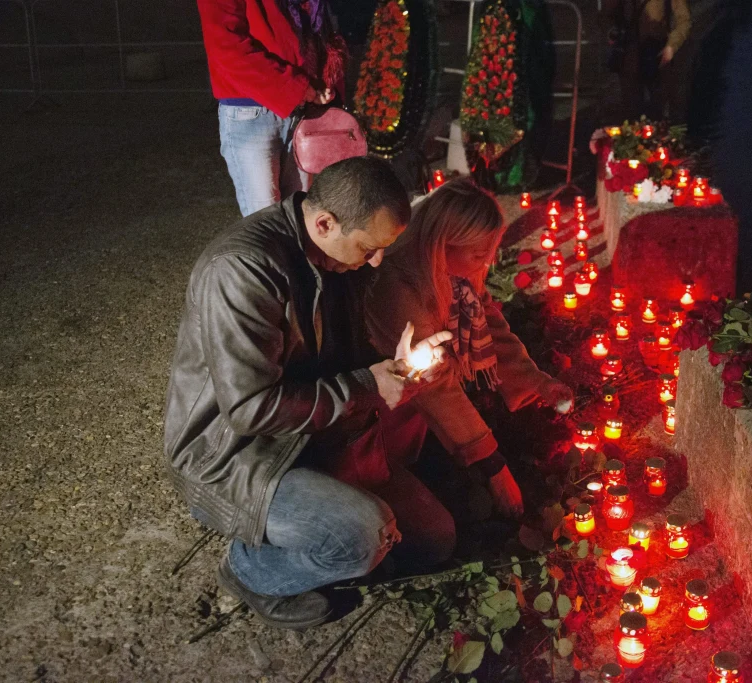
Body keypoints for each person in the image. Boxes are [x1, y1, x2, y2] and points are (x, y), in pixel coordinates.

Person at [163, 157, 455, 631]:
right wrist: (365, 385)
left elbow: (341, 361)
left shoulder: (338, 257)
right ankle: (249, 571)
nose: (378, 260)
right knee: (365, 537)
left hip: (313, 436)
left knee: (435, 539)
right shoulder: (242, 270)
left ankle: (322, 529)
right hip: (237, 456)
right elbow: (249, 408)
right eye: (370, 247)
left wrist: (400, 365)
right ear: (324, 222)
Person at [365, 179, 574, 520]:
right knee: (437, 528)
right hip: (385, 419)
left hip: (424, 411)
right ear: (442, 245)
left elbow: (486, 320)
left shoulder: (453, 278)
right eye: (479, 254)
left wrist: (536, 381)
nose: (487, 263)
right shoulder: (397, 288)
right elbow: (434, 385)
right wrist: (494, 466)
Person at [197, 0, 348, 217]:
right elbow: (225, 43)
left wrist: (323, 83)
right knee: (267, 220)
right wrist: (297, 88)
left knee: (302, 215)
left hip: (300, 105)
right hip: (252, 109)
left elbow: (316, 29)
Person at [603, 0, 691, 121]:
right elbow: (607, 16)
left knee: (659, 111)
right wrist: (612, 32)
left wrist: (672, 46)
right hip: (630, 57)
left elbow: (683, 20)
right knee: (631, 114)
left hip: (657, 55)